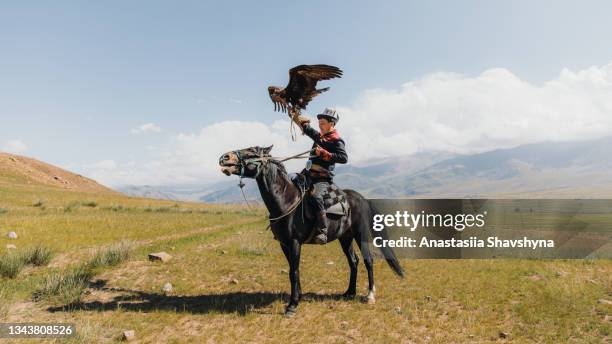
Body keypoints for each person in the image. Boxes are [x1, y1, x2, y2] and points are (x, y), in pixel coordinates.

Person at [294, 108, 348, 244]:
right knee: (290, 182)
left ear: (332, 123)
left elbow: (343, 158)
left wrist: (325, 153)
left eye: (322, 123)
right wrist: (295, 116)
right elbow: (308, 129)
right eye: (319, 123)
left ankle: (322, 231)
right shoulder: (320, 137)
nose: (320, 125)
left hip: (322, 178)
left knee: (315, 196)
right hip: (307, 174)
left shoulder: (337, 141)